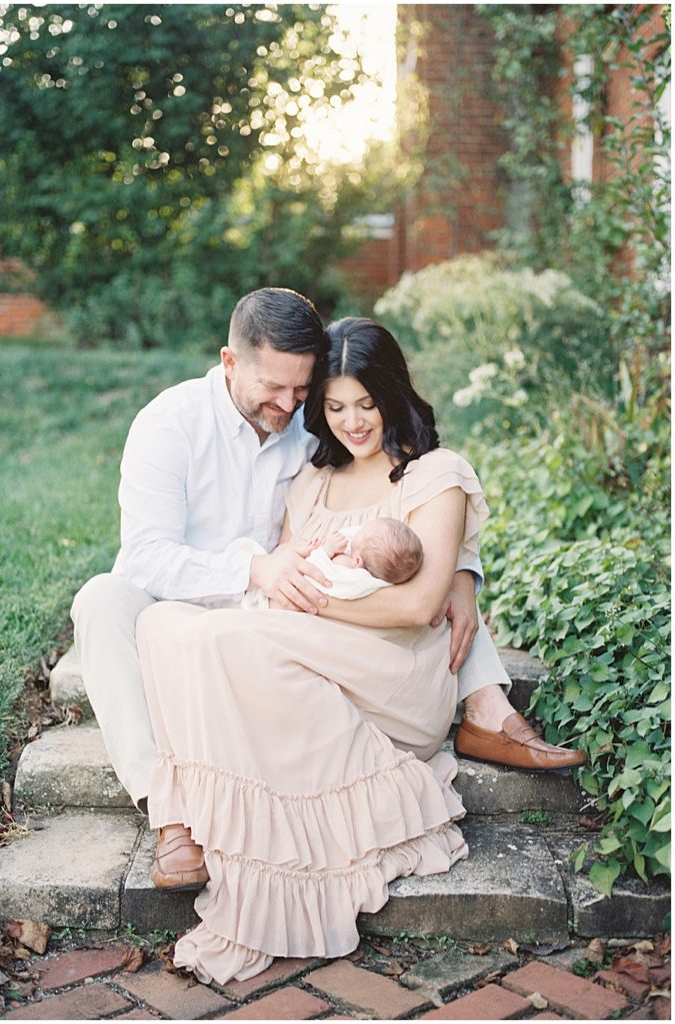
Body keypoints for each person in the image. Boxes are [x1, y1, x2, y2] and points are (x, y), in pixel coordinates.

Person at [70, 289, 584, 883]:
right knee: (101, 600)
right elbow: (147, 557)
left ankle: (485, 708)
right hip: (200, 594)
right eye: (275, 388)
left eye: (301, 389)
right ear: (230, 362)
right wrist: (253, 570)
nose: (288, 404)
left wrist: (464, 575)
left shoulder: (312, 428)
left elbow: (401, 499)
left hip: (284, 609)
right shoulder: (170, 424)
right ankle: (169, 814)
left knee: (389, 592)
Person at [238, 517, 423, 608]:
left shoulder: (345, 564)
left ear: (358, 560)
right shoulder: (368, 568)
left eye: (363, 532)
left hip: (274, 602)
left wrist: (325, 550)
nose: (359, 530)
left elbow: (321, 576)